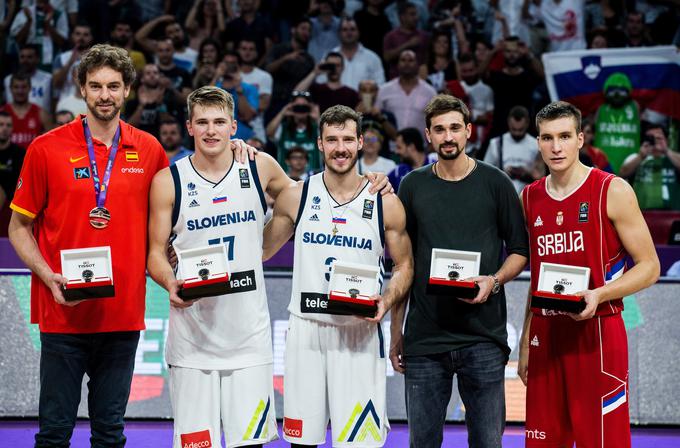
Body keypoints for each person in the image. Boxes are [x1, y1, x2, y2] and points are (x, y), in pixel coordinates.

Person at [147, 90, 391, 448]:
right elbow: (153, 252)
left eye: (219, 122)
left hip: (250, 340)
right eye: (202, 122)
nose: (211, 131)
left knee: (249, 445)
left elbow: (316, 198)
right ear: (189, 127)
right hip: (191, 339)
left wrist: (370, 182)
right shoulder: (168, 181)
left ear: (234, 126)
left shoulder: (259, 166)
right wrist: (169, 281)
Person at [7, 44, 168, 448]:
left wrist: (240, 151)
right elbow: (18, 227)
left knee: (110, 434)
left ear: (128, 89)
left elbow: (168, 222)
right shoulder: (45, 148)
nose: (104, 95)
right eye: (95, 85)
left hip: (122, 315)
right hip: (64, 314)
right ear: (81, 88)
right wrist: (48, 276)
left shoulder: (150, 151)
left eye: (113, 86)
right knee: (55, 433)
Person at [263, 105, 414, 448]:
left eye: (348, 139)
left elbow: (405, 266)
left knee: (359, 443)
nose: (340, 147)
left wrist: (386, 301)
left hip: (359, 331)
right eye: (332, 139)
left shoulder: (385, 202)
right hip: (306, 330)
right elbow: (259, 251)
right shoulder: (297, 196)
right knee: (303, 441)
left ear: (361, 142)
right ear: (319, 143)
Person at [518, 100, 660, 447]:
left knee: (601, 441)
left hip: (597, 333)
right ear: (538, 142)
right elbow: (537, 277)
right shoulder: (529, 197)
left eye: (565, 136)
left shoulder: (612, 190)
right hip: (547, 335)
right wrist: (525, 342)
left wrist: (599, 294)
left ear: (581, 139)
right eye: (547, 137)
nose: (556, 146)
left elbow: (650, 266)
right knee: (544, 442)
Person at [391, 94, 529, 447]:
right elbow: (403, 263)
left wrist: (494, 280)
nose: (447, 136)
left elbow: (519, 251)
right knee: (422, 443)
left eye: (454, 128)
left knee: (487, 442)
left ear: (468, 131)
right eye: (439, 129)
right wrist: (396, 331)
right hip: (425, 337)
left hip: (482, 336)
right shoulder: (413, 185)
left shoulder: (496, 183)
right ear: (428, 135)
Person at [619, 123, 680, 210]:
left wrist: (666, 151)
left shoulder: (673, 158)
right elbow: (622, 174)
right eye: (651, 138)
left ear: (666, 140)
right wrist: (641, 156)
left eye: (659, 138)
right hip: (642, 214)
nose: (655, 141)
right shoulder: (636, 157)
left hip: (671, 215)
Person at [483, 106, 542, 193]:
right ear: (508, 123)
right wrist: (502, 173)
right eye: (514, 130)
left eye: (520, 130)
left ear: (527, 124)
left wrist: (527, 174)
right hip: (502, 196)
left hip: (528, 196)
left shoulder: (536, 145)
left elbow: (541, 177)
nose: (517, 133)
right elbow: (485, 173)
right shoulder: (496, 143)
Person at [294, 52, 359, 114]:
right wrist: (315, 72)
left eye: (337, 65)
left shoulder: (351, 94)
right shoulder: (317, 89)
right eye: (331, 65)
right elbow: (296, 92)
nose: (334, 69)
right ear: (326, 66)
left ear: (343, 67)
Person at [0, 72, 51, 149]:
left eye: (24, 87)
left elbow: (51, 141)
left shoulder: (41, 114)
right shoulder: (2, 112)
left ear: (30, 88)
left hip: (32, 160)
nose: (20, 91)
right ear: (10, 88)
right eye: (16, 87)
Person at [3, 44, 53, 112]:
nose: (25, 60)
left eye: (29, 57)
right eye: (22, 57)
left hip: (42, 120)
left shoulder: (48, 79)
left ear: (37, 59)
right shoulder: (8, 80)